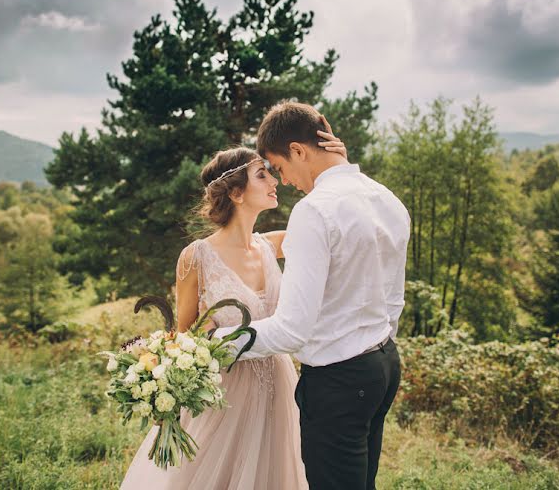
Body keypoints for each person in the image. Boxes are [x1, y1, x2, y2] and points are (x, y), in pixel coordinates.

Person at [119, 129, 347, 490]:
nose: (275, 180)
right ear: (237, 193)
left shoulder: (273, 245)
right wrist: (167, 394)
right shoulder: (196, 257)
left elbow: (336, 220)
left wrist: (337, 164)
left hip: (280, 384)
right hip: (225, 395)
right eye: (263, 175)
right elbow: (184, 336)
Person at [218, 102, 411, 490]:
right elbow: (394, 300)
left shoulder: (315, 211)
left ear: (299, 150)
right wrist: (373, 344)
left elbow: (292, 330)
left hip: (339, 381)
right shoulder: (387, 198)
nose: (284, 181)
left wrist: (217, 343)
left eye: (282, 167)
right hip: (385, 365)